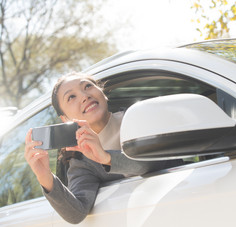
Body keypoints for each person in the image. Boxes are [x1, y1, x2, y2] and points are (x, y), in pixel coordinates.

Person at [24, 72, 182, 224]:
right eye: (71, 97)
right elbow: (76, 213)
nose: (85, 96)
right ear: (65, 119)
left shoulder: (137, 117)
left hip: (181, 200)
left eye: (87, 86)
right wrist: (45, 178)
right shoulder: (81, 159)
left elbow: (151, 163)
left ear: (103, 93)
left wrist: (106, 157)